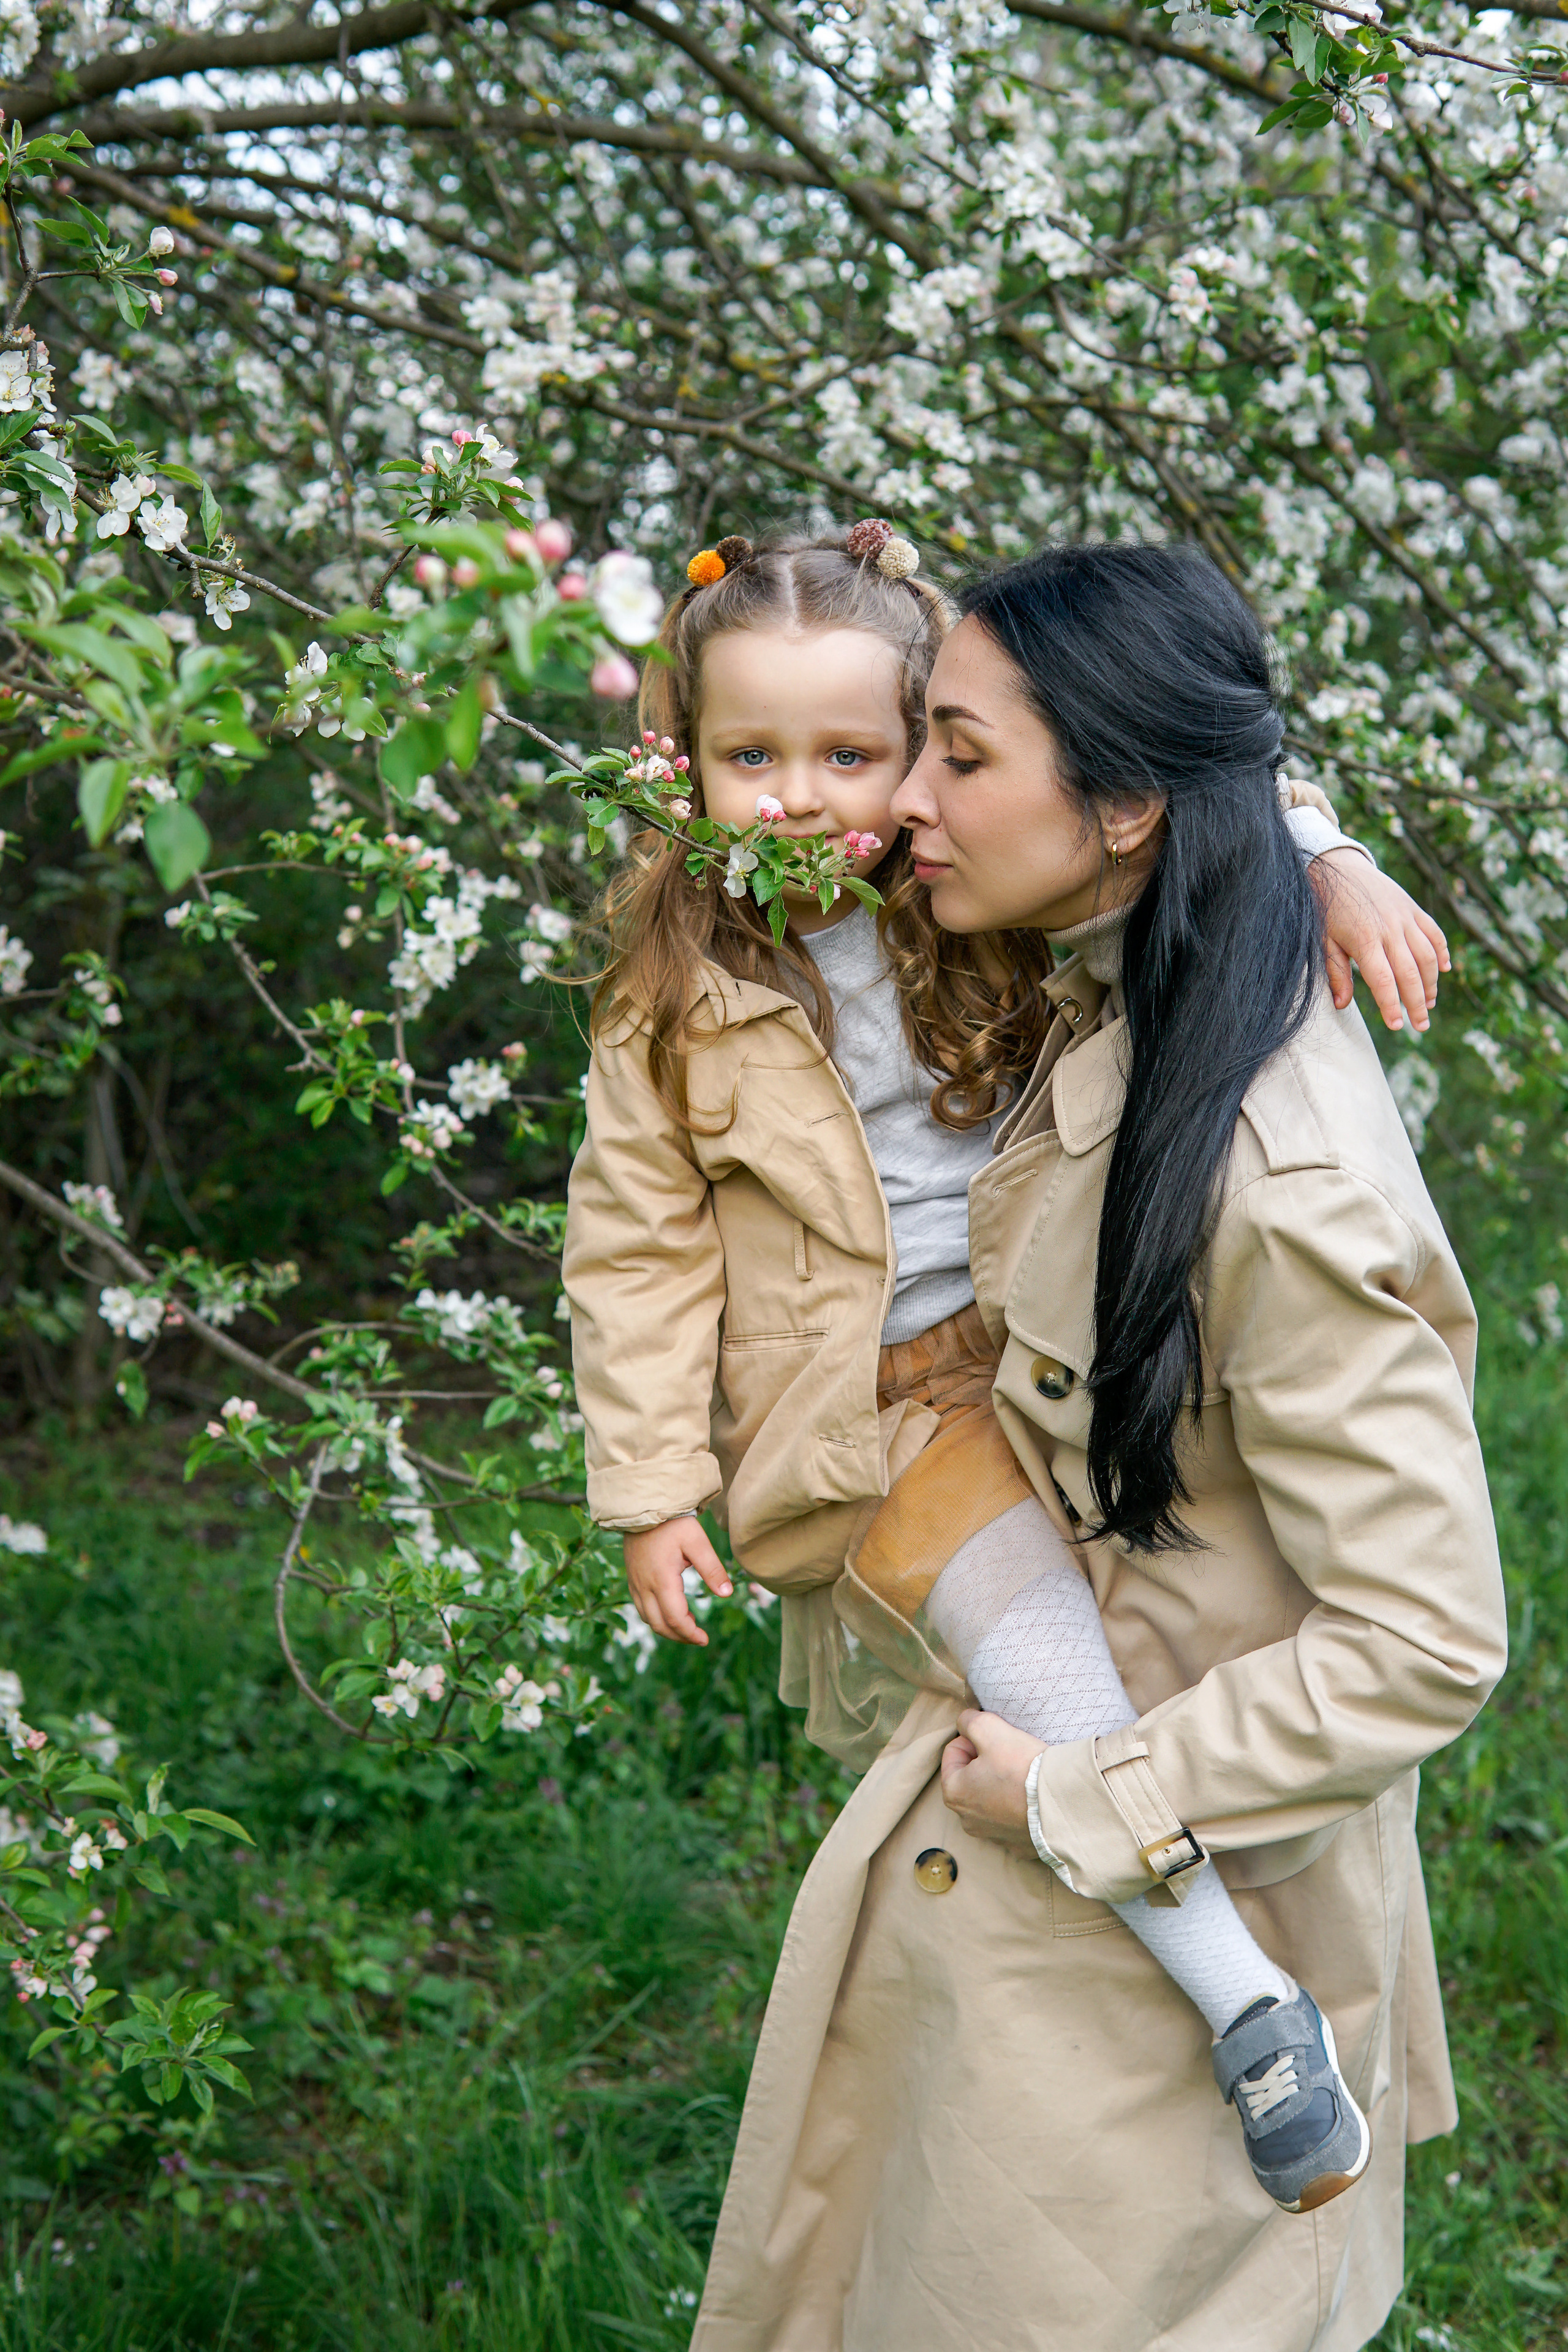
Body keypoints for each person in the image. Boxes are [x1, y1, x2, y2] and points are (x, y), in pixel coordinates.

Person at [564, 523, 1457, 2211]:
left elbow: (1140, 746)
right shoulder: (674, 982)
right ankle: (1245, 2000)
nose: (806, 800)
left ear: (928, 755)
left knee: (1136, 1650)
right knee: (1037, 1658)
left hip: (1041, 1331)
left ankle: (1209, 1978)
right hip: (889, 1401)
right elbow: (637, 1245)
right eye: (749, 758)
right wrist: (652, 1481)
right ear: (678, 767)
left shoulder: (963, 891)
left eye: (864, 752)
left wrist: (1313, 841)